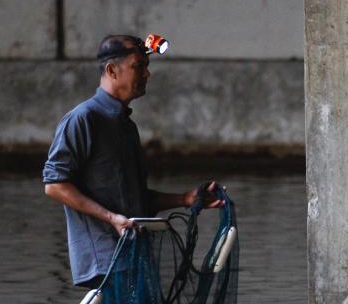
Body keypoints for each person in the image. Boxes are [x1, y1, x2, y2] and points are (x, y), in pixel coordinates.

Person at [42, 34, 222, 288]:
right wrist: (112, 218)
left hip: (135, 259)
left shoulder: (125, 126)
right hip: (107, 263)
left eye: (147, 67)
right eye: (139, 66)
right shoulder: (83, 119)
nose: (147, 74)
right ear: (112, 70)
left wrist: (184, 199)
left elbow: (134, 199)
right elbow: (55, 185)